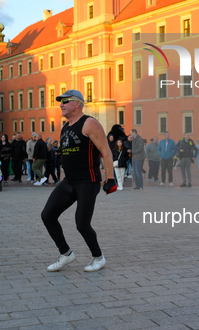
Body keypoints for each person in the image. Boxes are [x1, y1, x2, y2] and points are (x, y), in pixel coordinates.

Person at [41, 89, 116, 272]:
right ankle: (66, 254)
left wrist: (110, 178)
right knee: (47, 215)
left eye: (65, 101)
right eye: (61, 102)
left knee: (82, 224)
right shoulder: (66, 126)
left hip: (87, 181)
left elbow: (106, 151)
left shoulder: (89, 123)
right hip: (69, 182)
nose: (61, 104)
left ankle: (98, 258)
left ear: (77, 103)